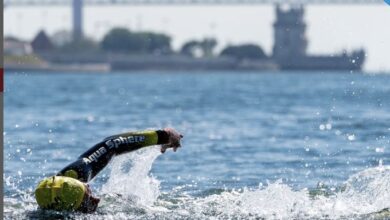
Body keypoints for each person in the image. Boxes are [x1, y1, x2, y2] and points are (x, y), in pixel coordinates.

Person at [34, 128, 183, 213]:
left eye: (88, 190)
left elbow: (112, 144)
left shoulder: (73, 175)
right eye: (87, 200)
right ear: (72, 210)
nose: (96, 199)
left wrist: (162, 136)